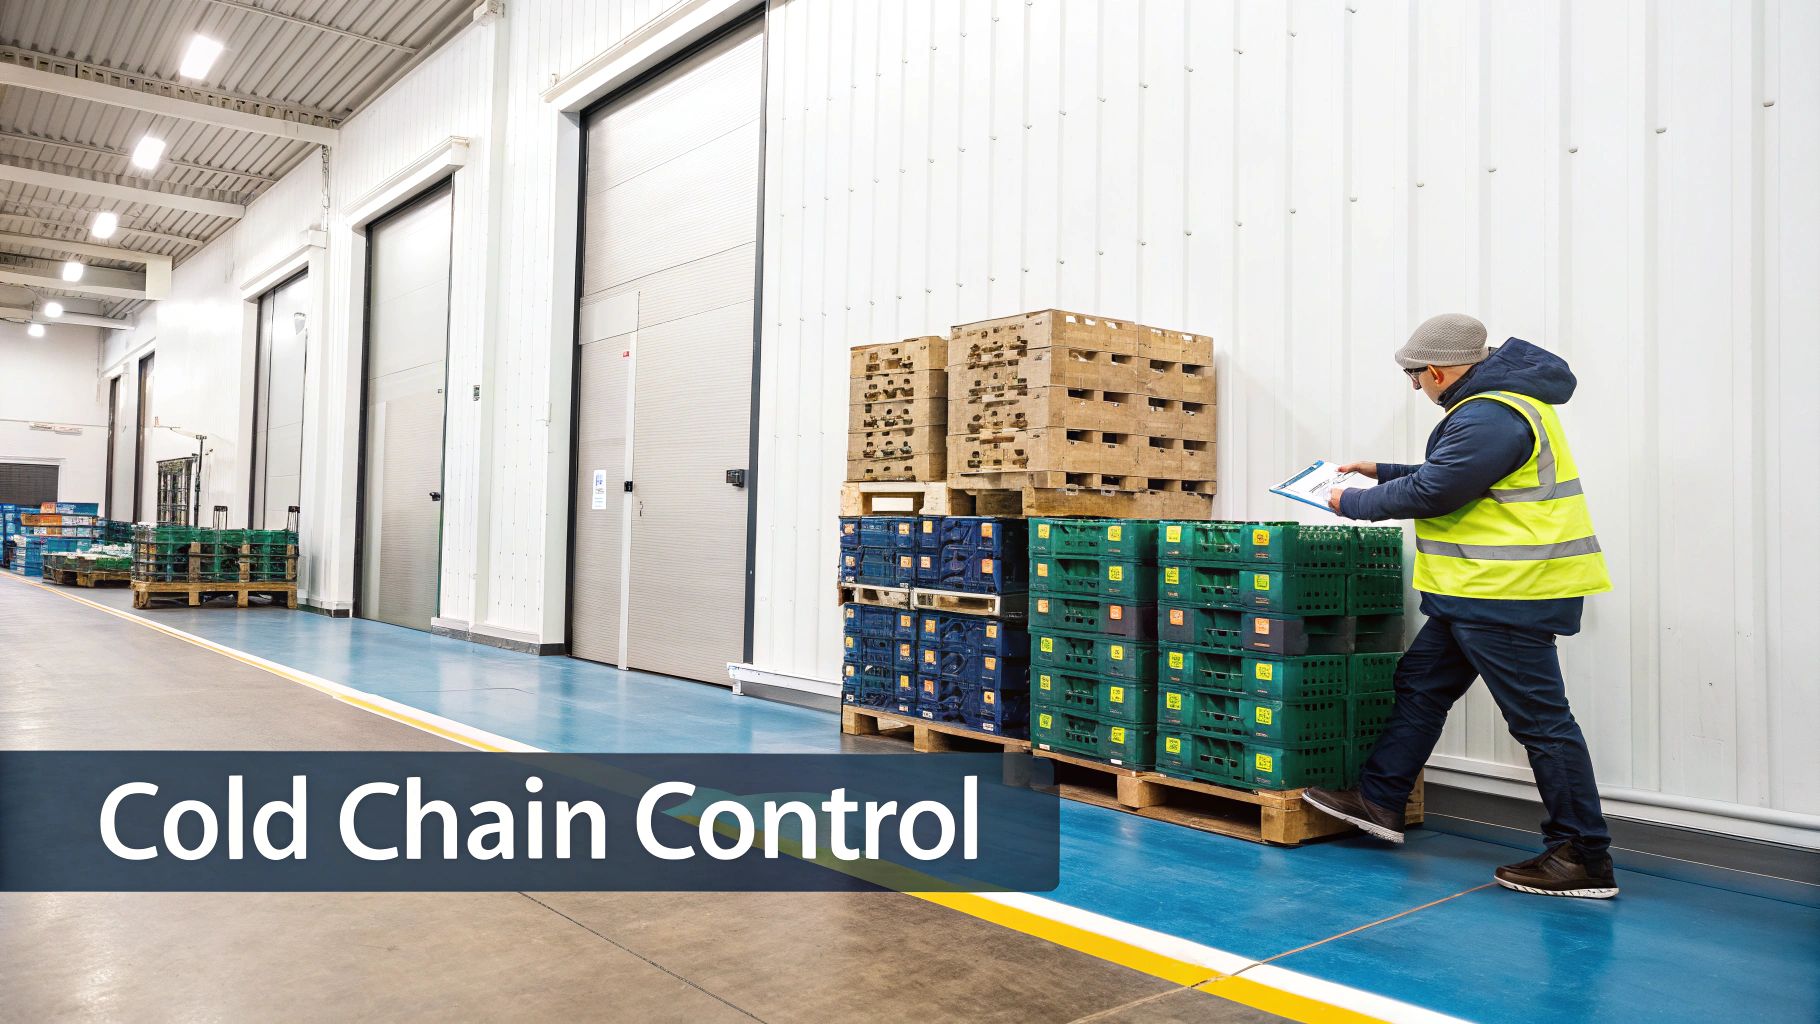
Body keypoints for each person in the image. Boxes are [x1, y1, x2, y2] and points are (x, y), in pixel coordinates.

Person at [1301, 313, 1619, 899]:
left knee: (1541, 723)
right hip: (1472, 595)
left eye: (1415, 376)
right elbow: (1458, 476)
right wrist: (1382, 470)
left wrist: (1353, 501)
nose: (1418, 386)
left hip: (1506, 598)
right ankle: (1381, 799)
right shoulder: (1492, 409)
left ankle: (1582, 854)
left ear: (1439, 370)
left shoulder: (1492, 414)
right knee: (1421, 685)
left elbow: (1438, 490)